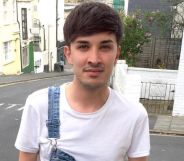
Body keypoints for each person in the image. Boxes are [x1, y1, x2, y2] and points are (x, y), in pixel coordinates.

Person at [15, 2, 150, 161]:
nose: (94, 59)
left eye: (105, 47)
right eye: (83, 46)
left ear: (117, 54)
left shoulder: (134, 115)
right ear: (68, 53)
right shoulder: (38, 105)